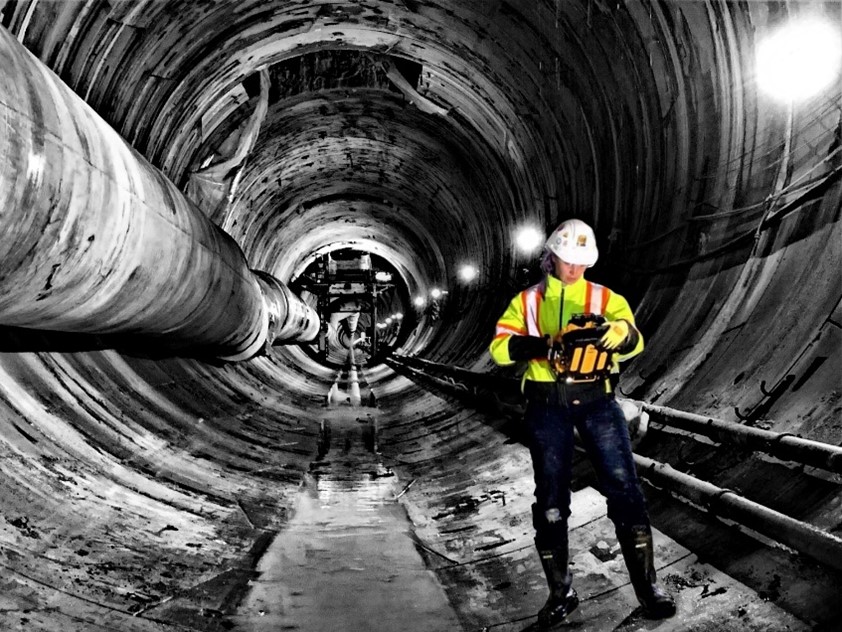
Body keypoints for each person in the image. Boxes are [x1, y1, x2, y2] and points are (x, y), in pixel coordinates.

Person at [489, 219, 675, 628]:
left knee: (626, 491)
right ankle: (561, 594)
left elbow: (635, 339)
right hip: (546, 407)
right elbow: (501, 348)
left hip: (597, 402)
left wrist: (619, 332)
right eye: (565, 261)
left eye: (579, 263)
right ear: (550, 257)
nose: (572, 270)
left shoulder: (604, 297)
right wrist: (547, 344)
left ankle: (648, 589)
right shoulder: (528, 301)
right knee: (552, 502)